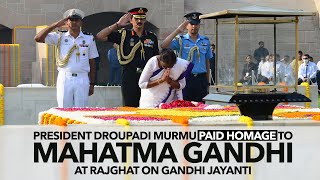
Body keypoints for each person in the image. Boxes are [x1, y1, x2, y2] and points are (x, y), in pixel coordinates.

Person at [34, 9, 99, 108]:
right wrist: (55, 25)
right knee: (64, 108)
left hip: (82, 77)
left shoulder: (89, 38)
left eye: (76, 20)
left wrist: (92, 83)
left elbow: (92, 62)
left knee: (81, 109)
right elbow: (38, 38)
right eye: (71, 20)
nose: (74, 22)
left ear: (81, 22)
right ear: (66, 22)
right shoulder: (59, 36)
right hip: (65, 77)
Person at [96, 7, 159, 107]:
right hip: (130, 76)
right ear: (131, 20)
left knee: (148, 106)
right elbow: (100, 36)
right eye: (137, 18)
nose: (139, 21)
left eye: (142, 18)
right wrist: (117, 25)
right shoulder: (124, 35)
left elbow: (156, 58)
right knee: (130, 107)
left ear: (145, 20)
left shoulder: (151, 37)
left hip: (147, 76)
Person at [160, 12, 213, 102]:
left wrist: (207, 82)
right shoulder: (181, 40)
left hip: (201, 79)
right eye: (191, 24)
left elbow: (207, 62)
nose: (194, 26)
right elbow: (164, 45)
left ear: (199, 25)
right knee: (185, 106)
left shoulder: (205, 41)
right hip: (186, 78)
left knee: (201, 107)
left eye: (196, 24)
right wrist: (178, 30)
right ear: (186, 25)